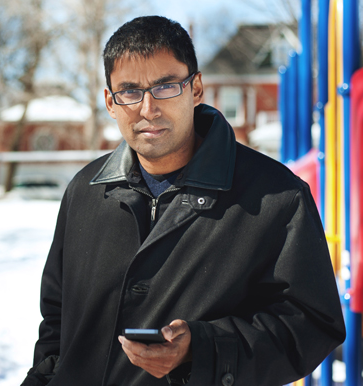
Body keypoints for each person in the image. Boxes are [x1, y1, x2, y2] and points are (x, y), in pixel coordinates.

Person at [21, 16, 345, 386]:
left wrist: (203, 351)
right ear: (110, 102)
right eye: (129, 91)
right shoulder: (85, 190)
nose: (148, 108)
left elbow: (312, 325)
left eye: (166, 86)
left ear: (197, 88)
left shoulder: (276, 196)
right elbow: (57, 322)